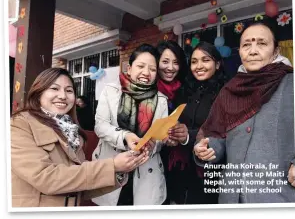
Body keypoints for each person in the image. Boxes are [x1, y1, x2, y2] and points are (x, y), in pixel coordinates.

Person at [11, 68, 148, 207]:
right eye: (54, 88)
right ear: (38, 93)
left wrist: (119, 169)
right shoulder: (19, 124)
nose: (63, 96)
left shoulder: (71, 131)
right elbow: (46, 178)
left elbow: (79, 184)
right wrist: (112, 165)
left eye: (69, 91)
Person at [194, 19, 295, 203]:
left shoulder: (293, 84)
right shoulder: (230, 90)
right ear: (239, 52)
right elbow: (217, 135)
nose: (253, 50)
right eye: (246, 45)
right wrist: (206, 149)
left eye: (262, 43)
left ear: (276, 51)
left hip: (278, 197)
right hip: (231, 199)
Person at [92, 44, 169, 206]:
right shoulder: (111, 91)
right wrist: (124, 136)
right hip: (112, 167)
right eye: (141, 66)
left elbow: (161, 138)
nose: (146, 73)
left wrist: (153, 144)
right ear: (130, 68)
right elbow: (100, 125)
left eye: (152, 69)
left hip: (145, 172)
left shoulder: (161, 99)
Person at [165, 41, 228, 204]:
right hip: (181, 168)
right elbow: (175, 120)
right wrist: (172, 133)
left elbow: (223, 130)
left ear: (218, 64)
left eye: (205, 60)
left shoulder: (227, 93)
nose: (199, 66)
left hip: (210, 170)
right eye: (194, 61)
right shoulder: (184, 91)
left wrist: (189, 136)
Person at [156, 40, 188, 204]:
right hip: (152, 159)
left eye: (176, 62)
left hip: (178, 160)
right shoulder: (148, 90)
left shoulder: (185, 89)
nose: (170, 68)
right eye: (165, 61)